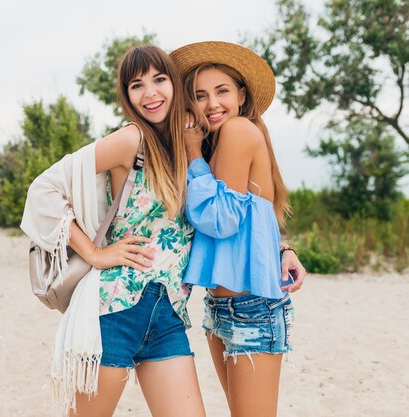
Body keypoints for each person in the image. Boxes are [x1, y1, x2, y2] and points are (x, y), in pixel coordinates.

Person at [21, 43, 305, 417]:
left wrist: (282, 248)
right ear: (127, 96)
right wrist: (93, 252)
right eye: (137, 85)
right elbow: (45, 188)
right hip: (116, 308)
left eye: (159, 80)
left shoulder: (194, 146)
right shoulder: (132, 139)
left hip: (170, 312)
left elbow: (241, 207)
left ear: (174, 86)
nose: (151, 92)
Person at [170, 41, 303, 417]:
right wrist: (283, 248)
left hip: (252, 307)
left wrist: (194, 152)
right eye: (200, 95)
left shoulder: (239, 131)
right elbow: (256, 224)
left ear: (241, 96)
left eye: (222, 91)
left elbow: (220, 219)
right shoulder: (220, 143)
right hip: (221, 306)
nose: (212, 103)